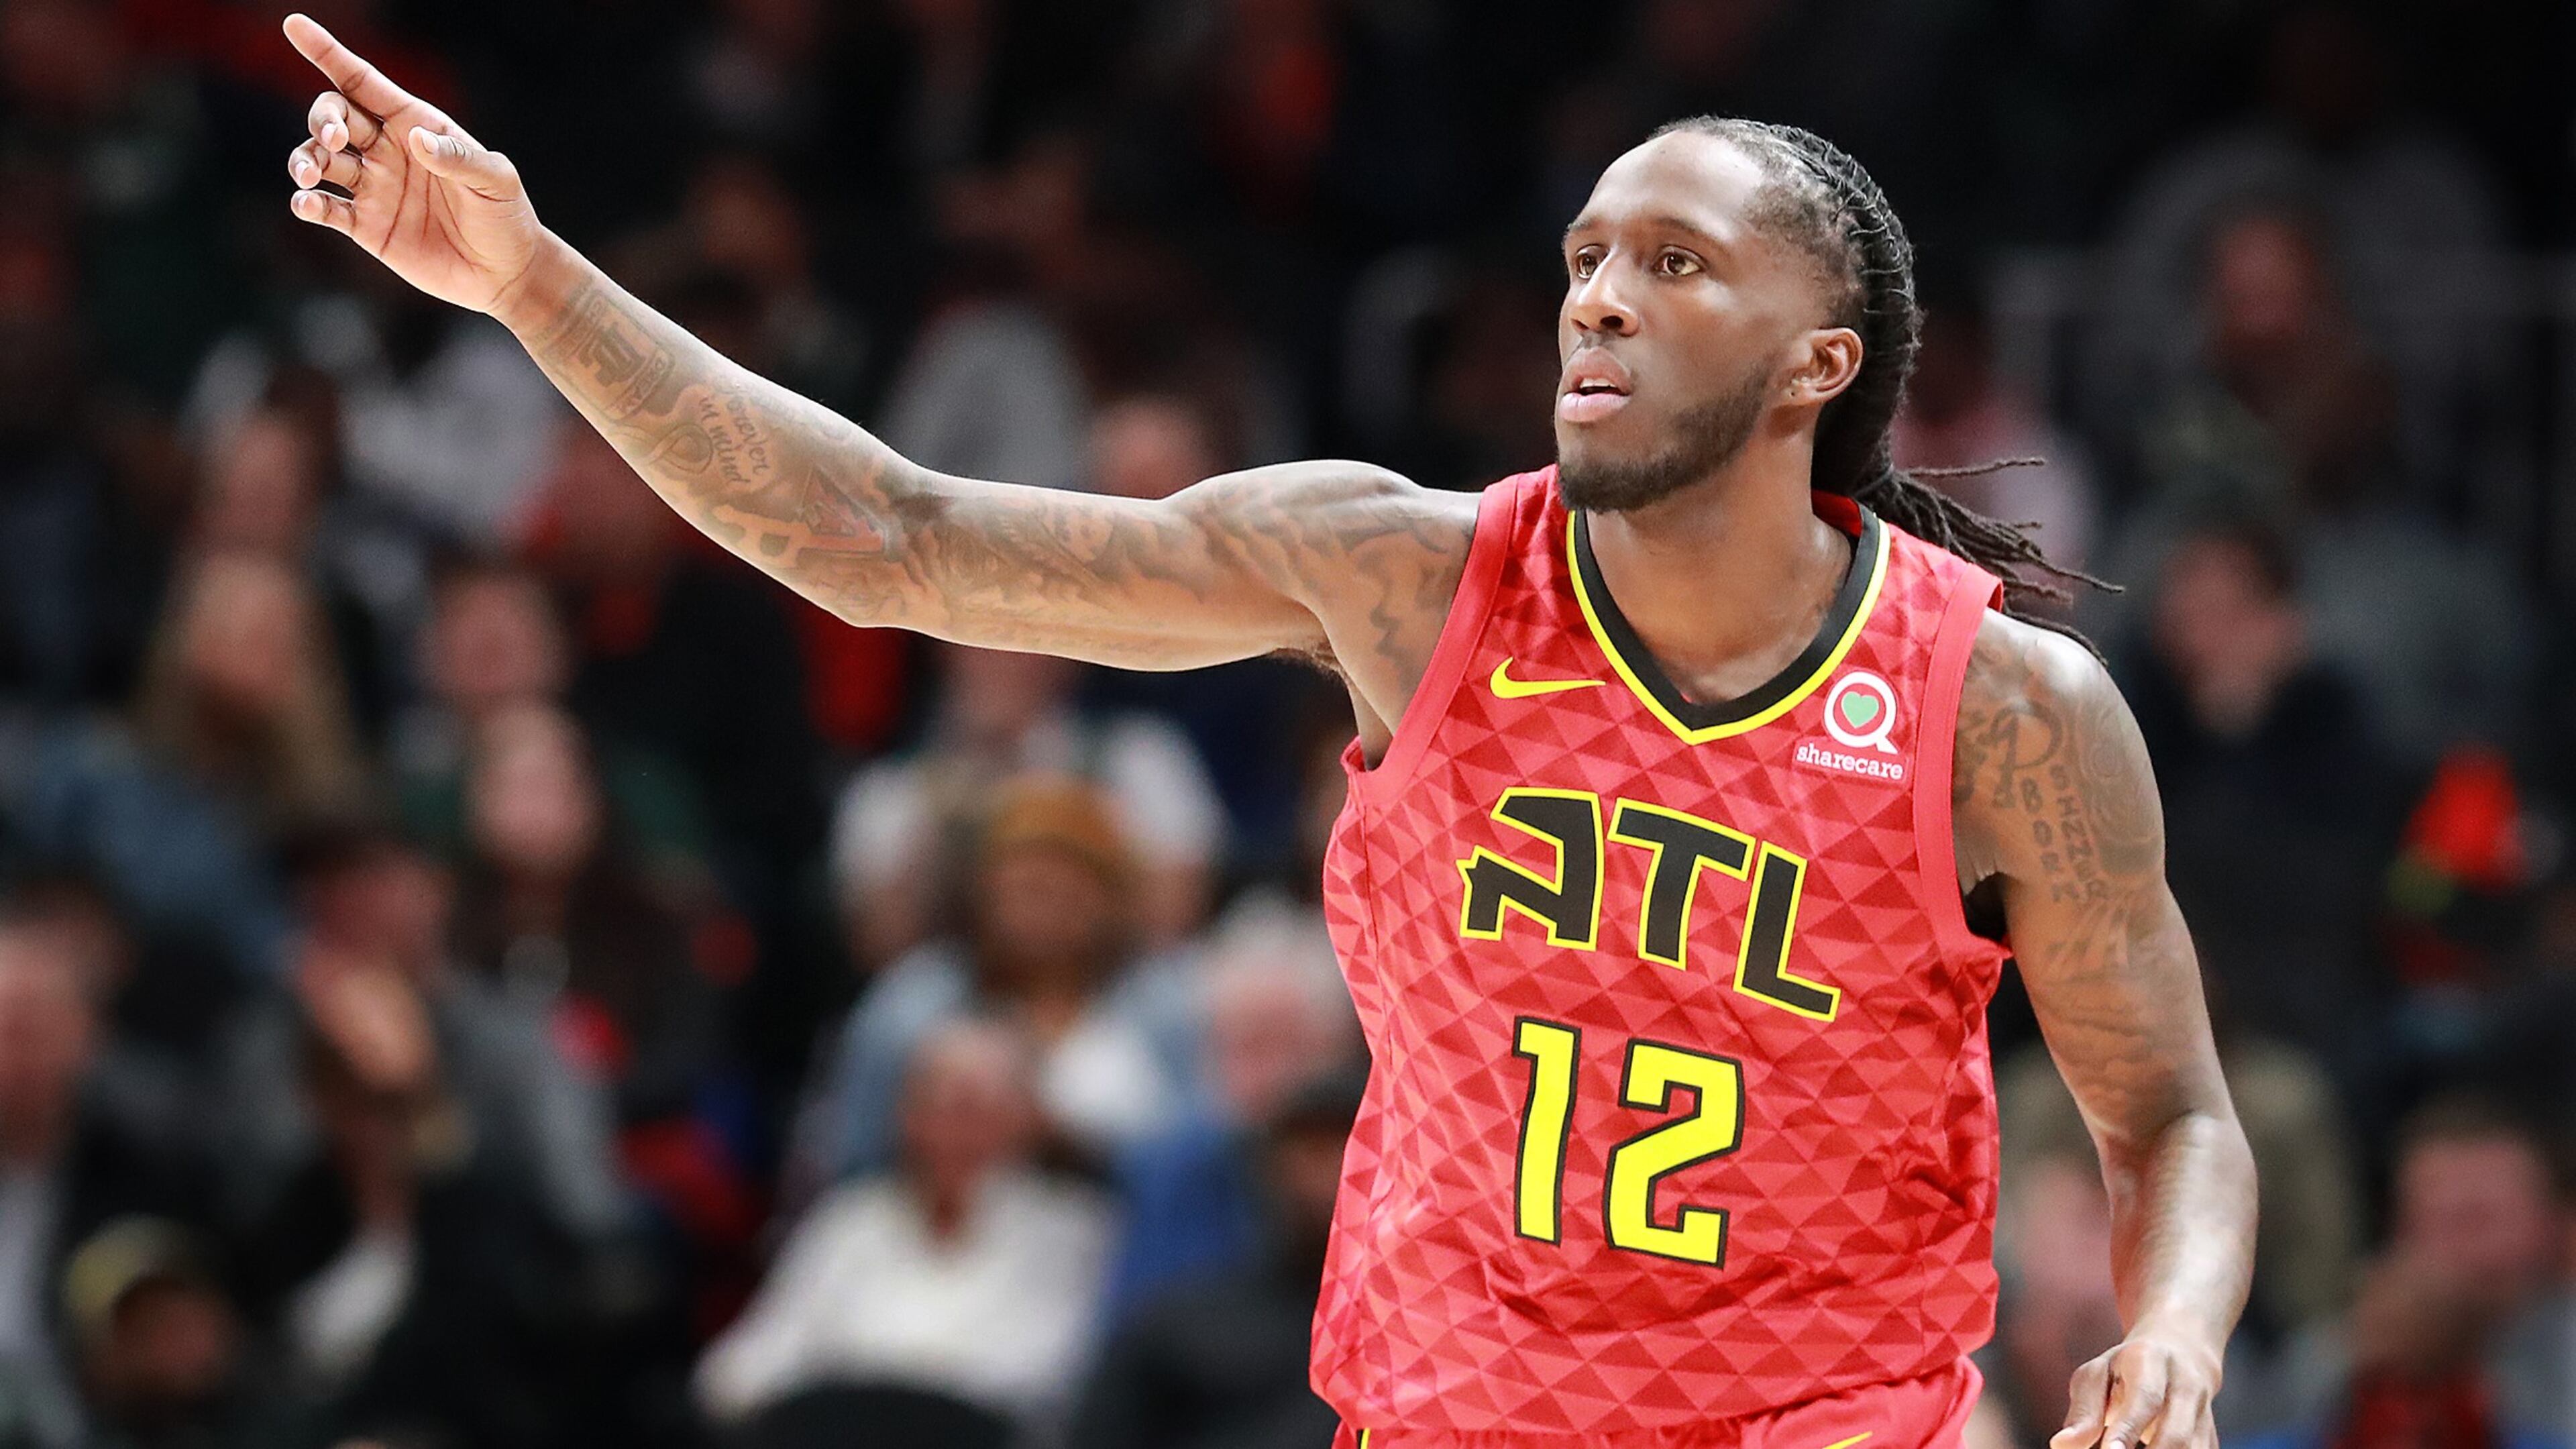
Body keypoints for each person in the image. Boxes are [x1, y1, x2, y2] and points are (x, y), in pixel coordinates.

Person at [279, 26, 2258, 1444]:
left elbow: (2168, 1112)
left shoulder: (1999, 710)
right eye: (1583, 257)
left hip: (1825, 1417)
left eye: (1674, 265)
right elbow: (896, 539)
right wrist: (528, 283)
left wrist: (2170, 1333)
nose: (1598, 300)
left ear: (1821, 363)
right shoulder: (1408, 580)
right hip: (1452, 1409)